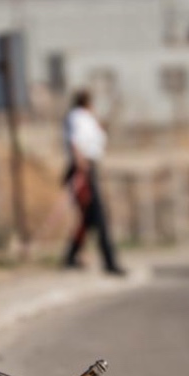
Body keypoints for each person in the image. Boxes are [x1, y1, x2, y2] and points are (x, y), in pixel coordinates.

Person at [62, 89, 124, 275]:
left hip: (88, 167)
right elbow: (76, 142)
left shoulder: (85, 118)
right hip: (84, 169)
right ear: (88, 102)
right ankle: (110, 262)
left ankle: (71, 256)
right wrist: (82, 168)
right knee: (100, 218)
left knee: (88, 219)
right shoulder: (78, 117)